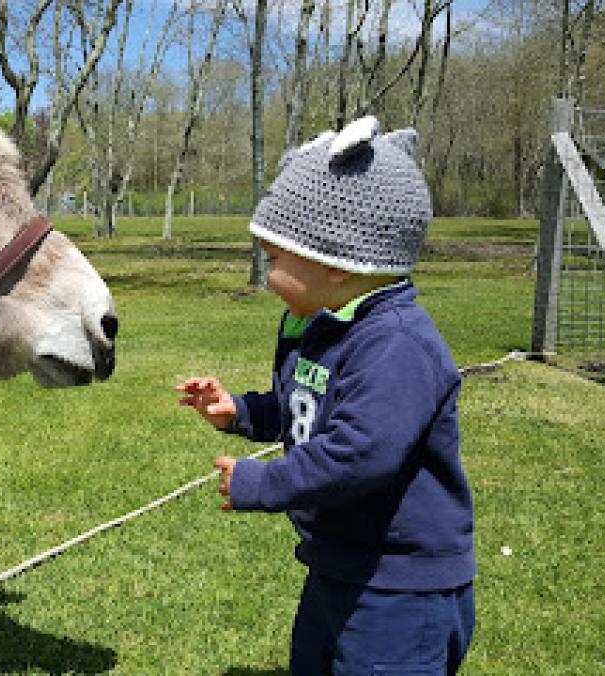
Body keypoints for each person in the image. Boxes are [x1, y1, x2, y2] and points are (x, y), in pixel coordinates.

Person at [177, 116, 475, 674]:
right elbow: (303, 407)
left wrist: (264, 481)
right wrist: (239, 411)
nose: (267, 272)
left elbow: (358, 454)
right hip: (340, 563)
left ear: (338, 263)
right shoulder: (329, 324)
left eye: (275, 258)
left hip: (400, 588)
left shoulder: (395, 345)